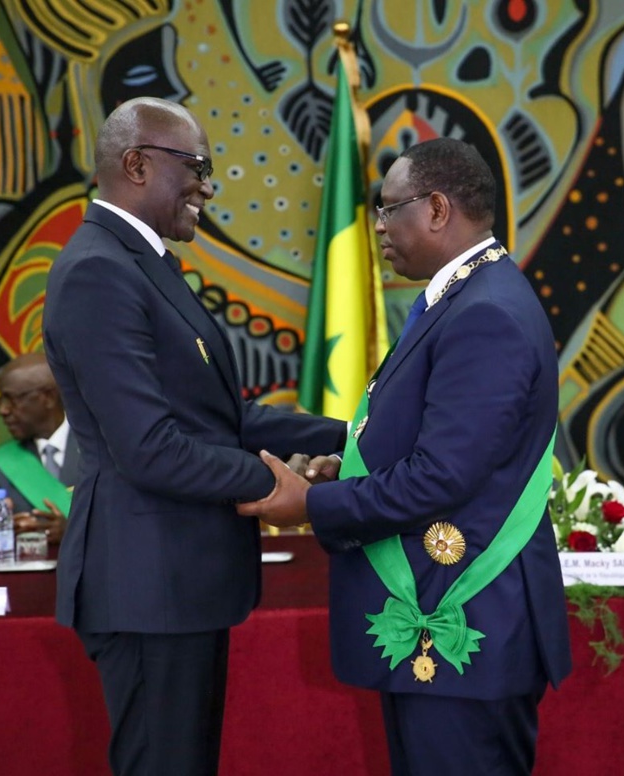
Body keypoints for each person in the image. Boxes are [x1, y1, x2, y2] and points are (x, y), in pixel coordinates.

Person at [237, 138, 572, 775]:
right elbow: (433, 441)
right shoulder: (466, 297)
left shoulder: (486, 312)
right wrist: (352, 468)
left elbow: (442, 476)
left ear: (439, 209)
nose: (381, 229)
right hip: (450, 631)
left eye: (391, 210)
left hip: (464, 623)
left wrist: (310, 503)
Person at [41, 96, 346, 776]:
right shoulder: (99, 271)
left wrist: (355, 436)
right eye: (198, 166)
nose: (208, 185)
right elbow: (149, 449)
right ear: (137, 164)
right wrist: (279, 486)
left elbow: (221, 419)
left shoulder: (140, 264)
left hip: (177, 581)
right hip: (148, 584)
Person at [0, 353, 77, 546]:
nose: (3, 410)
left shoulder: (100, 450)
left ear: (47, 397)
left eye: (11, 399)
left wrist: (70, 532)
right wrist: (10, 530)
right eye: (0, 402)